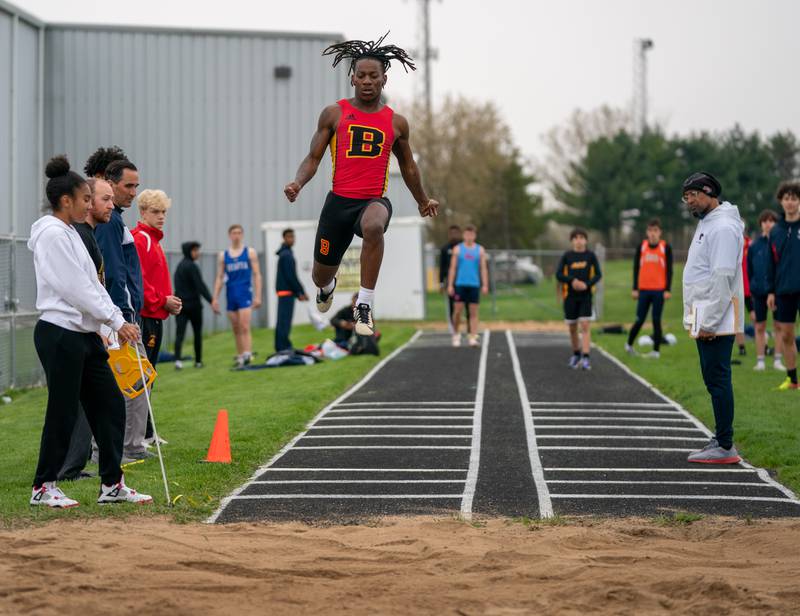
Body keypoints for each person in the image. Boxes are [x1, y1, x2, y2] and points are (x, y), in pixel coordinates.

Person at [283, 34, 438, 338]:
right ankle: (327, 288)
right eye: (362, 75)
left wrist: (422, 199)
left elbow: (408, 166)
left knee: (374, 227)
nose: (368, 81)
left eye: (374, 76)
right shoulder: (334, 113)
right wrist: (297, 182)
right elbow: (313, 157)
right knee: (319, 276)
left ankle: (364, 304)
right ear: (352, 78)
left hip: (372, 201)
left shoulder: (397, 123)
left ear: (384, 80)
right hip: (337, 204)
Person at [28, 155, 151, 507]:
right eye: (86, 199)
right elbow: (74, 288)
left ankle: (112, 483)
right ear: (66, 201)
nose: (90, 205)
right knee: (63, 410)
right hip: (59, 332)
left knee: (110, 404)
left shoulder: (69, 233)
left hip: (83, 333)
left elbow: (92, 284)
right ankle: (43, 486)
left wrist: (114, 323)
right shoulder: (51, 234)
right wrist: (115, 320)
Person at [682, 172, 743, 464]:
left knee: (718, 379)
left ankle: (725, 444)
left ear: (708, 192)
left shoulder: (722, 228)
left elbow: (721, 277)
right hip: (704, 315)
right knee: (712, 379)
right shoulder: (708, 223)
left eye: (693, 195)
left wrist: (709, 321)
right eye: (686, 197)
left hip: (714, 317)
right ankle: (721, 437)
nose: (689, 201)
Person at [57, 177, 115, 482]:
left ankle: (72, 466)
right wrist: (108, 322)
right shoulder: (79, 235)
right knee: (80, 403)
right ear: (87, 201)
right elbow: (83, 288)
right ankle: (68, 468)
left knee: (89, 401)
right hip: (76, 328)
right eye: (105, 199)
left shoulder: (89, 235)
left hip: (89, 326)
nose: (111, 204)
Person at [93, 158, 151, 462]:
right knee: (134, 380)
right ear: (110, 183)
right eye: (128, 185)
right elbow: (113, 273)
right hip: (121, 317)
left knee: (122, 381)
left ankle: (114, 446)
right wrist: (123, 317)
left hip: (119, 314)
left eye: (136, 186)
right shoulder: (111, 221)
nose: (133, 192)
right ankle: (129, 447)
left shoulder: (115, 220)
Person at [132, 189, 182, 445]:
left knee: (149, 376)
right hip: (145, 316)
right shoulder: (141, 239)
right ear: (142, 212)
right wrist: (162, 300)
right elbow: (138, 280)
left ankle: (148, 433)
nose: (161, 216)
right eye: (155, 211)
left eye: (163, 212)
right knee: (142, 378)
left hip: (155, 315)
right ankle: (139, 435)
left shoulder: (154, 240)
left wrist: (167, 300)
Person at [212, 224, 262, 368]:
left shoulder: (250, 252)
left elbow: (257, 275)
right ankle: (241, 355)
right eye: (234, 233)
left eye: (239, 232)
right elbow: (220, 277)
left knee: (245, 326)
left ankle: (248, 353)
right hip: (231, 293)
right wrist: (215, 298)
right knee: (236, 327)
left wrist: (258, 296)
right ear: (229, 235)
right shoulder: (224, 255)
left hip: (245, 292)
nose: (237, 235)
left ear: (242, 234)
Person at [767, 180, 800, 391]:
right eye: (787, 198)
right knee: (786, 334)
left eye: (794, 198)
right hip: (783, 290)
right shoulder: (776, 231)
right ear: (781, 201)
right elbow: (771, 264)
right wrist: (771, 291)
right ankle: (793, 380)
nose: (790, 202)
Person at [625, 218, 673, 359]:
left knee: (656, 320)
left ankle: (656, 351)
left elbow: (669, 270)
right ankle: (629, 345)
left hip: (659, 291)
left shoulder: (665, 247)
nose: (652, 234)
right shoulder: (642, 246)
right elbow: (635, 268)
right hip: (644, 290)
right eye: (650, 230)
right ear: (647, 232)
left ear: (660, 232)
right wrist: (635, 288)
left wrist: (667, 289)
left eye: (655, 231)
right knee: (639, 319)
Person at [556, 228, 602, 370]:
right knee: (572, 328)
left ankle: (586, 357)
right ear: (572, 241)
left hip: (585, 296)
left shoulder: (590, 256)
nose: (579, 240)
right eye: (575, 238)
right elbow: (558, 274)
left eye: (582, 238)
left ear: (586, 240)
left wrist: (586, 284)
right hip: (570, 297)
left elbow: (598, 275)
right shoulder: (567, 256)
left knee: (585, 325)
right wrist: (572, 281)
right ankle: (576, 354)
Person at [748, 209, 785, 371]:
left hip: (778, 292)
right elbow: (750, 270)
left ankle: (777, 360)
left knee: (779, 326)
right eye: (765, 221)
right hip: (759, 292)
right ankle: (760, 360)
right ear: (761, 224)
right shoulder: (754, 246)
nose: (768, 224)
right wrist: (754, 286)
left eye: (771, 221)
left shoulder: (781, 243)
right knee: (759, 326)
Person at [173, 241, 216, 369]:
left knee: (179, 333)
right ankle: (198, 361)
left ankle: (177, 361)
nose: (197, 253)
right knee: (197, 333)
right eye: (195, 250)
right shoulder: (192, 266)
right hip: (194, 306)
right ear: (189, 251)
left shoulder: (179, 266)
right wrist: (211, 300)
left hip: (181, 306)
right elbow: (200, 285)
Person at [446, 224, 488, 347]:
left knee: (473, 313)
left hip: (474, 285)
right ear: (464, 235)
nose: (469, 237)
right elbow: (452, 268)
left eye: (472, 234)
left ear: (474, 236)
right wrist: (450, 285)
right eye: (467, 234)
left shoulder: (480, 250)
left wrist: (485, 284)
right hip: (460, 284)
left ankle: (473, 336)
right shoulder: (458, 249)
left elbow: (483, 269)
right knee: (457, 311)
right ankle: (456, 334)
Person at [275, 228, 308, 352]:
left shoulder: (285, 253)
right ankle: (283, 347)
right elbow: (291, 276)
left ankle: (281, 345)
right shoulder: (286, 255)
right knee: (284, 322)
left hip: (285, 292)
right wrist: (300, 292)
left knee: (282, 321)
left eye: (293, 237)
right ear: (284, 238)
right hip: (286, 292)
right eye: (289, 237)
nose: (292, 239)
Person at [439, 225, 462, 332]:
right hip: (450, 282)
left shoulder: (463, 247)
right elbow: (442, 266)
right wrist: (441, 283)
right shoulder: (445, 249)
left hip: (463, 280)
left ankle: (466, 326)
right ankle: (453, 328)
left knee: (463, 304)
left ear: (459, 234)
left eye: (455, 233)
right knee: (452, 305)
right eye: (451, 233)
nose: (453, 235)